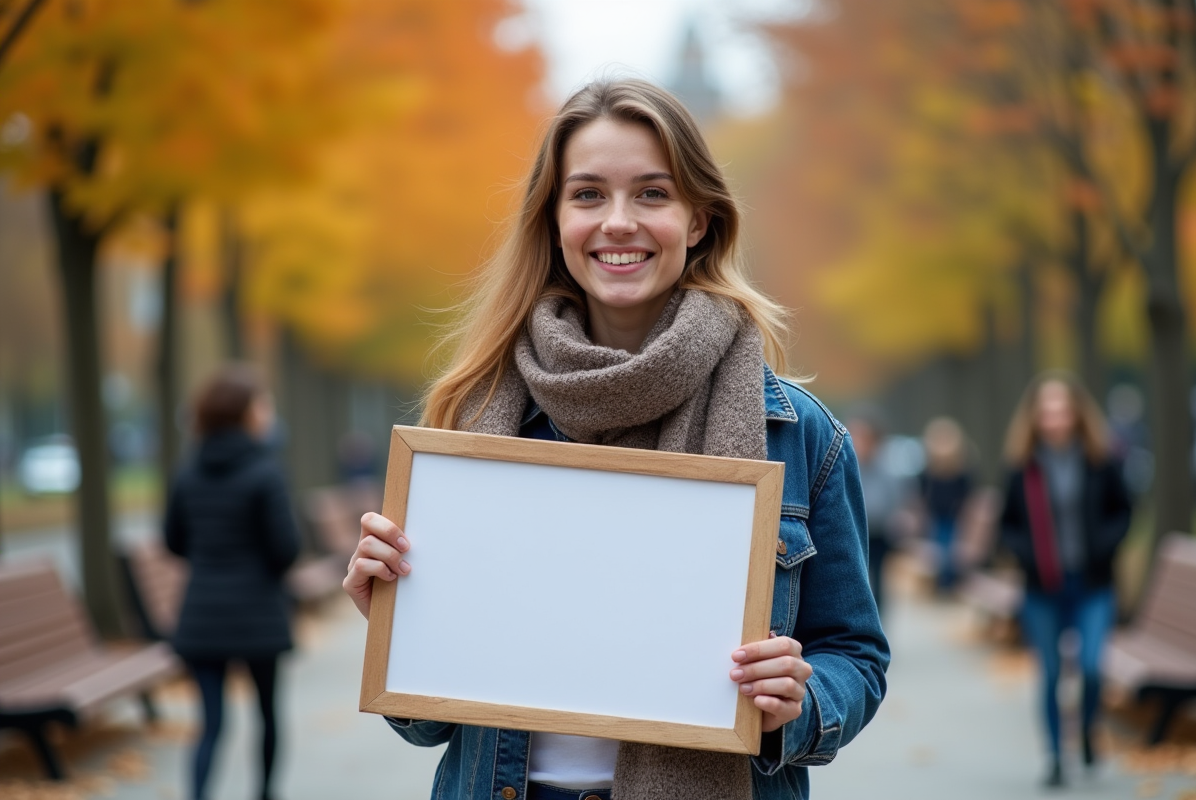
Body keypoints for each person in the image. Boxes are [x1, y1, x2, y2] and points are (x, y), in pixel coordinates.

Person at [343, 79, 887, 800]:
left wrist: (801, 702)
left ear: (699, 220)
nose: (619, 222)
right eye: (589, 194)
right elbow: (426, 725)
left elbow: (855, 654)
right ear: (555, 219)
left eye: (653, 194)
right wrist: (395, 623)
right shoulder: (470, 422)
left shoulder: (800, 435)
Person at [165, 364, 301, 800]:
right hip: (257, 613)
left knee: (210, 723)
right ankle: (264, 792)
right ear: (244, 413)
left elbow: (173, 540)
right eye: (262, 404)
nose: (268, 412)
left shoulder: (188, 471)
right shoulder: (266, 472)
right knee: (267, 713)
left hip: (202, 615)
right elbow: (286, 549)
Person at [998, 372, 1132, 789]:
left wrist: (1104, 547)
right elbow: (1007, 526)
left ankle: (1089, 730)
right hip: (1042, 589)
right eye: (1047, 411)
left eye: (1062, 410)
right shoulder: (1023, 466)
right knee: (1053, 674)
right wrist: (1027, 554)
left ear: (1077, 414)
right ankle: (1057, 757)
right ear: (1035, 417)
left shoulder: (1100, 459)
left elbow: (1124, 510)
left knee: (1091, 669)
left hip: (1092, 583)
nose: (1055, 418)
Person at [845, 409, 910, 616]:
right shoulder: (845, 464)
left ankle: (876, 620)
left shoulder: (887, 469)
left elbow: (896, 501)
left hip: (879, 534)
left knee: (879, 580)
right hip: (852, 531)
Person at [917, 416, 972, 592]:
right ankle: (942, 581)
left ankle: (949, 581)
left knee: (951, 548)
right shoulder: (928, 470)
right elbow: (921, 494)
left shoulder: (962, 470)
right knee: (938, 549)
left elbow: (969, 494)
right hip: (935, 516)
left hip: (955, 516)